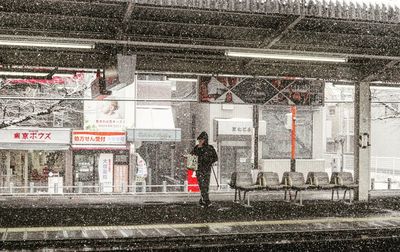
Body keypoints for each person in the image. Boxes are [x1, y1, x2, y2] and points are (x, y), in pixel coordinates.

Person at [191, 131, 218, 207]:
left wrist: (209, 162)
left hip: (206, 169)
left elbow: (215, 158)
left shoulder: (210, 148)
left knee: (205, 185)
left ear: (205, 140)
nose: (200, 141)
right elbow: (192, 156)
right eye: (199, 139)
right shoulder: (197, 148)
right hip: (199, 169)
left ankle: (204, 200)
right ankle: (206, 200)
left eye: (201, 139)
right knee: (202, 185)